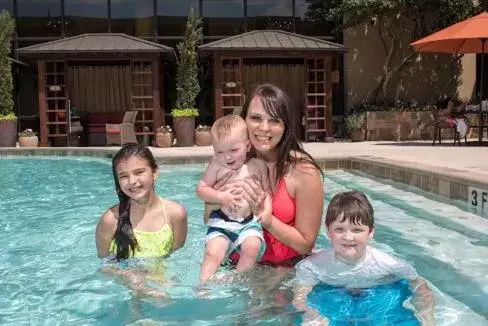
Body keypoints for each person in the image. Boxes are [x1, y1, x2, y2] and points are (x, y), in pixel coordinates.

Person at [214, 83, 324, 268]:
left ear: (286, 126)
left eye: (274, 120)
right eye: (256, 118)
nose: (264, 128)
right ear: (244, 121)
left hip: (285, 270)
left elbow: (306, 245)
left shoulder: (303, 172)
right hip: (236, 267)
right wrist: (219, 200)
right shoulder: (230, 162)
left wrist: (267, 219)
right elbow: (209, 219)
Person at [293, 191, 435, 325]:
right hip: (332, 295)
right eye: (339, 229)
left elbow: (420, 287)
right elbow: (300, 297)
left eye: (357, 230)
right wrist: (311, 315)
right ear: (329, 232)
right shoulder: (311, 266)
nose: (348, 237)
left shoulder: (390, 265)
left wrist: (427, 317)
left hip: (380, 294)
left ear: (371, 232)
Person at [95, 143, 188, 296]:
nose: (132, 181)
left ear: (155, 172)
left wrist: (166, 281)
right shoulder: (110, 220)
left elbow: (176, 257)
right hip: (125, 290)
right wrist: (129, 276)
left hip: (161, 286)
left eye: (139, 172)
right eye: (124, 176)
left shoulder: (176, 214)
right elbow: (104, 265)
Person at [196, 115, 270, 282]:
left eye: (233, 150)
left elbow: (266, 192)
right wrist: (220, 197)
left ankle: (236, 277)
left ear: (247, 145)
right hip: (222, 221)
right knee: (212, 253)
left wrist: (267, 211)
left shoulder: (257, 166)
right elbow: (200, 189)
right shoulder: (216, 166)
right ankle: (204, 285)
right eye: (219, 151)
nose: (227, 157)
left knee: (252, 248)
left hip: (249, 222)